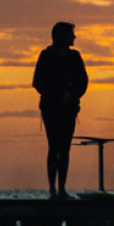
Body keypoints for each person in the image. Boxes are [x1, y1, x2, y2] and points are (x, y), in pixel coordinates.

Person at [33, 22, 88, 200]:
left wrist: (72, 95)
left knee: (65, 149)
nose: (74, 37)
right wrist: (57, 94)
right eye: (72, 34)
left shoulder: (75, 56)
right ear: (63, 36)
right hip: (51, 108)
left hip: (69, 108)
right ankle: (52, 189)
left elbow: (83, 81)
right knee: (54, 147)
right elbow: (38, 82)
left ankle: (62, 189)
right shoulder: (47, 55)